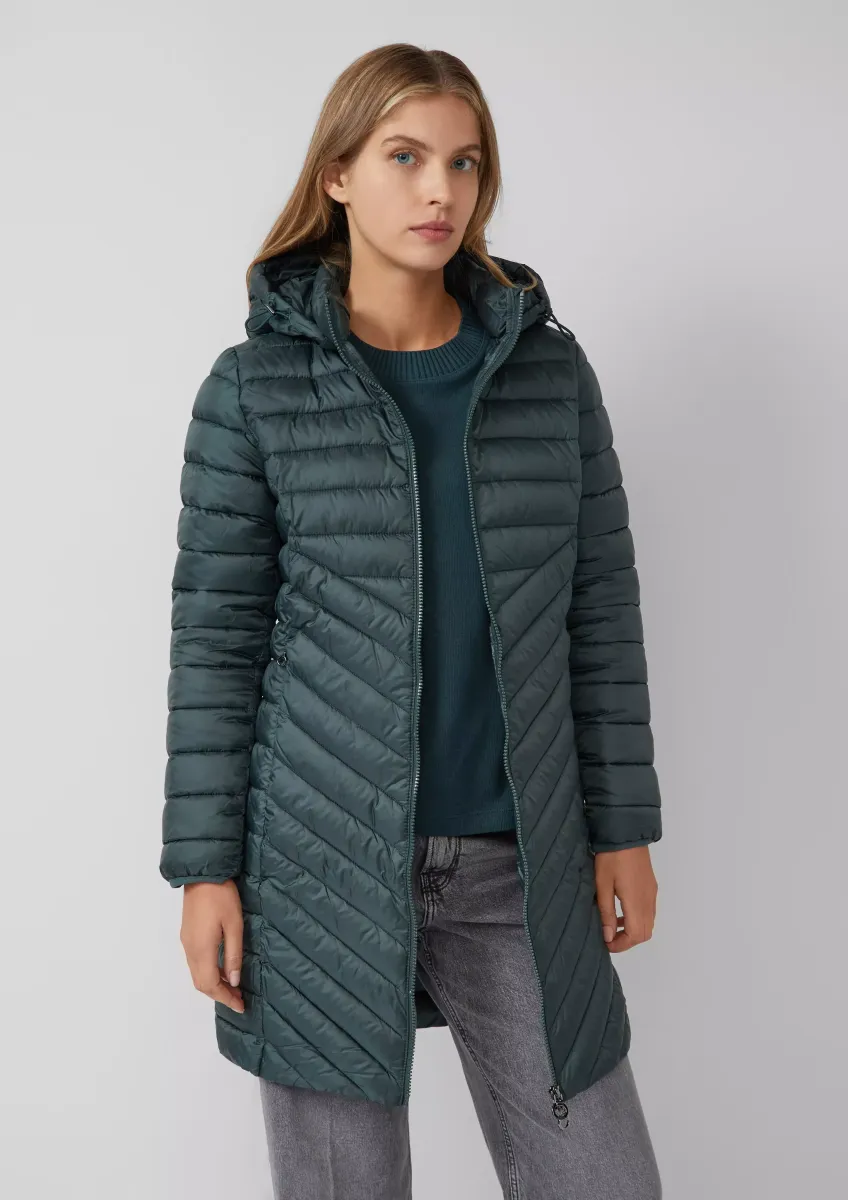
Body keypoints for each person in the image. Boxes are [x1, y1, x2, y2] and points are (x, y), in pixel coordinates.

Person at [160, 41, 663, 1200]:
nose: (440, 190)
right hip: (315, 867)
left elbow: (598, 613)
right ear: (336, 174)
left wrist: (621, 828)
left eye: (463, 162)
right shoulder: (253, 390)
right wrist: (206, 871)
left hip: (515, 867)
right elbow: (217, 644)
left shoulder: (547, 377)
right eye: (404, 157)